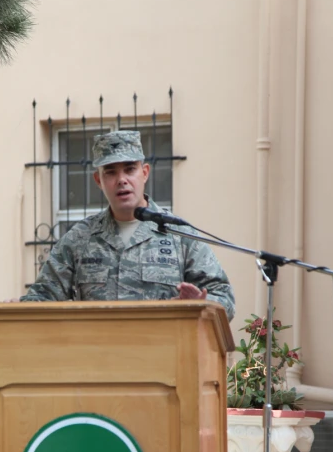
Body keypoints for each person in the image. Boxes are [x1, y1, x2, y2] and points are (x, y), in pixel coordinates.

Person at [20, 130, 235, 320]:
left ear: (145, 173)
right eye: (111, 172)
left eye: (130, 169)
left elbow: (224, 297)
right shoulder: (80, 238)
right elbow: (43, 296)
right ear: (98, 180)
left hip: (164, 357)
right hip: (98, 359)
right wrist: (17, 310)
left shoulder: (179, 235)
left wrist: (201, 305)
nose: (121, 180)